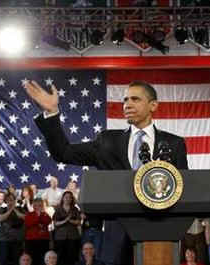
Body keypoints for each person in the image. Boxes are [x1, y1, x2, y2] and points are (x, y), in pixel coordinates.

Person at [25, 80, 188, 265]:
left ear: (153, 105)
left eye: (135, 99)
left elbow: (183, 190)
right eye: (125, 99)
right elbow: (63, 152)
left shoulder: (174, 144)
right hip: (116, 236)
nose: (127, 104)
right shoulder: (107, 141)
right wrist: (52, 113)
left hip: (160, 235)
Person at [53, 191, 81, 265]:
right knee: (60, 257)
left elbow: (78, 222)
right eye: (66, 197)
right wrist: (65, 221)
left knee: (71, 257)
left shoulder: (75, 209)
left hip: (73, 236)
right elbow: (55, 223)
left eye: (70, 197)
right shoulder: (58, 209)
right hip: (60, 237)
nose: (68, 199)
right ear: (63, 198)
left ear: (72, 199)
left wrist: (70, 220)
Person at [0, 192, 25, 265]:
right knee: (3, 260)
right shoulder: (2, 209)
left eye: (12, 200)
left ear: (15, 201)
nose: (10, 202)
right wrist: (10, 210)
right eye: (8, 200)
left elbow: (24, 217)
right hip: (4, 238)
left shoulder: (20, 209)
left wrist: (14, 209)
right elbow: (0, 219)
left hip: (17, 238)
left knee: (16, 260)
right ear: (6, 201)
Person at [24, 198, 51, 265]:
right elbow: (28, 223)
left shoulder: (45, 214)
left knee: (43, 259)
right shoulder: (29, 214)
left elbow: (48, 221)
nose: (39, 207)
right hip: (32, 240)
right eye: (37, 205)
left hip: (43, 240)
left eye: (40, 205)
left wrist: (40, 216)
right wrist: (38, 217)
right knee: (32, 259)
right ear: (34, 206)